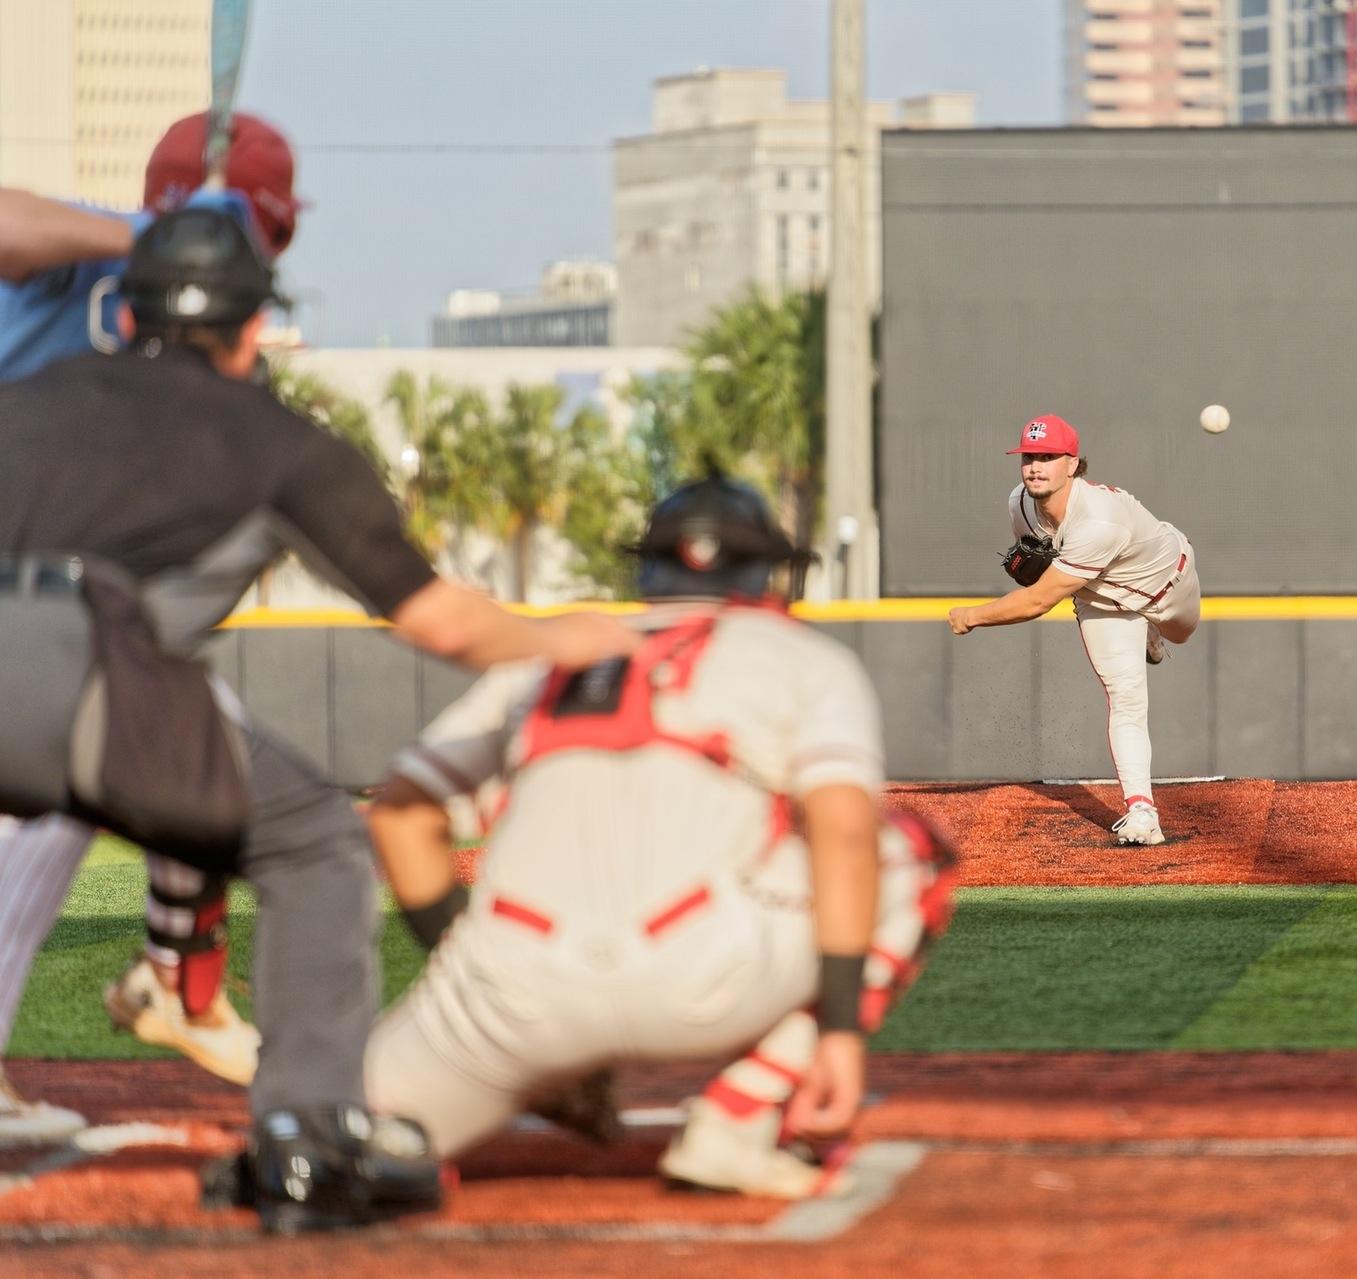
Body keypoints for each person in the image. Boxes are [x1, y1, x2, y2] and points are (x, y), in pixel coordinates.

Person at [0, 207, 642, 1231]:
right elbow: (443, 623)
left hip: (50, 644)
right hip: (79, 660)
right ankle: (307, 1135)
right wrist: (581, 638)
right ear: (255, 329)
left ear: (123, 314)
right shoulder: (281, 441)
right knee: (312, 843)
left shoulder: (25, 397)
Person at [354, 477, 957, 1197]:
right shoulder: (801, 656)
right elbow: (844, 832)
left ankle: (396, 1128)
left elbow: (398, 814)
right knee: (915, 854)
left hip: (509, 990)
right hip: (702, 971)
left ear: (648, 568)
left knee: (334, 1141)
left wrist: (468, 963)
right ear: (764, 570)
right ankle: (739, 1119)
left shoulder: (547, 653)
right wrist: (840, 1034)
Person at [0, 112, 303, 1149]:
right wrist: (133, 235)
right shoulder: (85, 254)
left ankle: (185, 986)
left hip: (49, 598)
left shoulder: (228, 351)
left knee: (185, 737)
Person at [948, 413, 1200, 846]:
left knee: (1180, 634)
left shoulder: (1100, 519)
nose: (1035, 466)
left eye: (1048, 456)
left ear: (1073, 463)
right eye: (1029, 457)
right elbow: (1036, 571)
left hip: (1165, 587)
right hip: (1101, 599)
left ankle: (1152, 634)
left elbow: (1038, 600)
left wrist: (972, 615)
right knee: (1126, 700)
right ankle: (1142, 810)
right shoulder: (1020, 504)